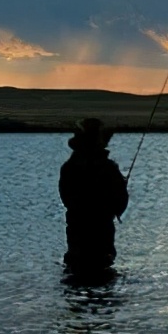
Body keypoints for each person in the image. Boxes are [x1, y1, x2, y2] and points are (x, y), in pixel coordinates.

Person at [59, 118, 129, 275]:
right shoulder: (109, 168)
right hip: (101, 234)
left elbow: (66, 199)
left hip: (77, 233)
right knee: (102, 270)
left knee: (77, 272)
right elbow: (120, 203)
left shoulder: (69, 167)